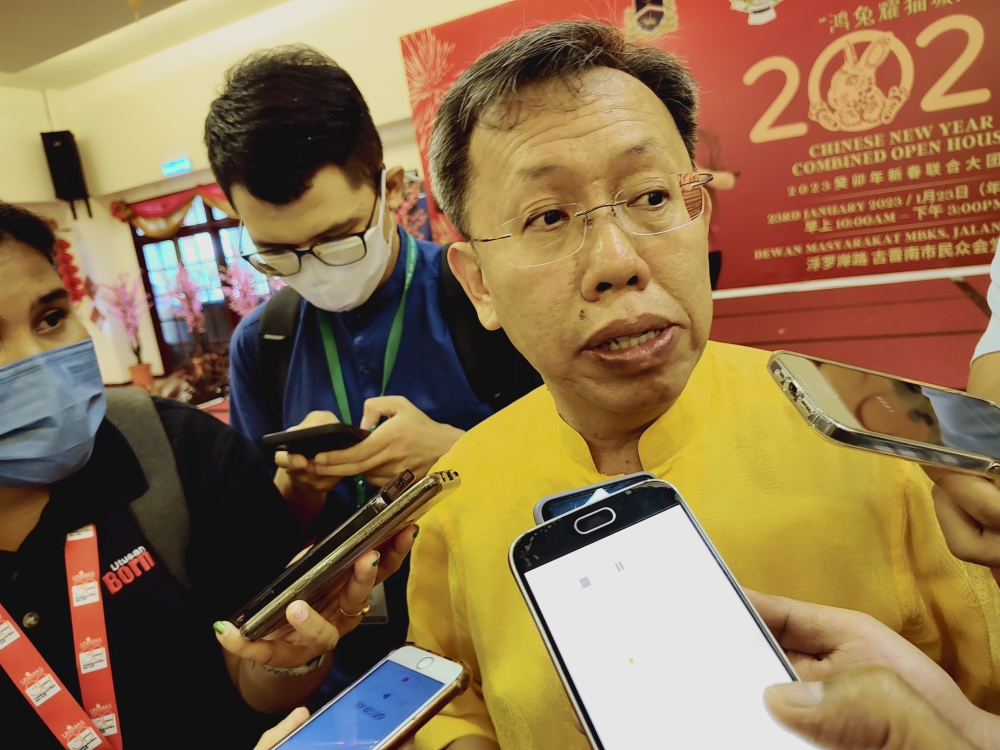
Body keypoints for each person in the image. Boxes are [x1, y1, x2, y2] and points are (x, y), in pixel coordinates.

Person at [402, 21, 1000, 750]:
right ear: (478, 285)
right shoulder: (459, 491)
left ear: (699, 213)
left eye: (652, 196)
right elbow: (453, 702)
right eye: (549, 216)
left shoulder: (882, 439)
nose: (616, 262)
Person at [0, 202, 414, 749]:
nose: (36, 366)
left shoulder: (182, 451)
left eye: (51, 317)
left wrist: (289, 657)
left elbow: (257, 675)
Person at [204, 45, 538, 694]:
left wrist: (460, 458)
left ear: (391, 189)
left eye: (337, 240)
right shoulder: (261, 344)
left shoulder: (485, 295)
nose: (313, 269)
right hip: (351, 675)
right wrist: (299, 492)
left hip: (508, 650)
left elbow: (601, 482)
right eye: (279, 254)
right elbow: (260, 544)